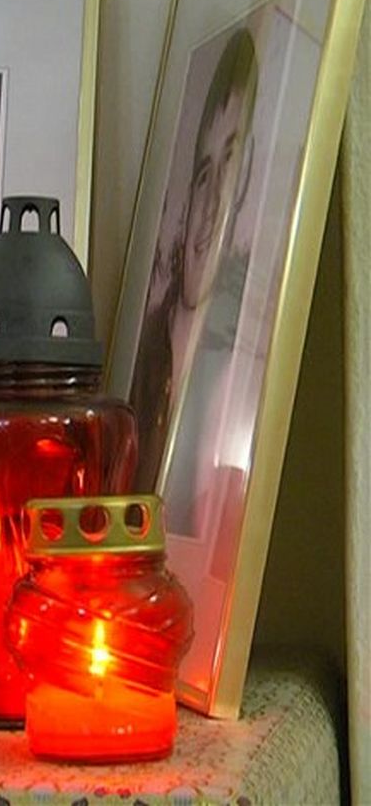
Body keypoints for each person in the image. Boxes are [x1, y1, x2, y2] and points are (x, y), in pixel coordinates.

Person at [130, 28, 258, 495]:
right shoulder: (149, 347)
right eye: (204, 175)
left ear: (244, 181)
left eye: (229, 164)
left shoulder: (235, 362)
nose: (212, 206)